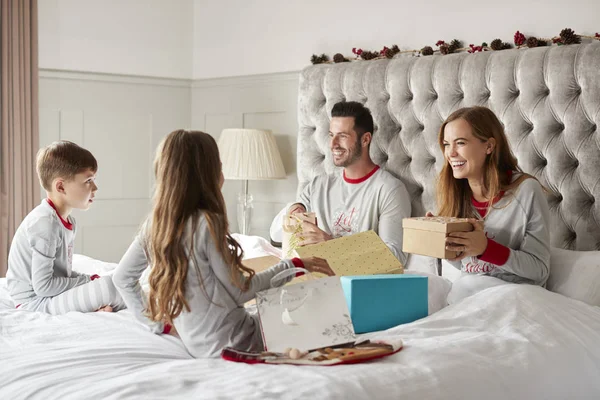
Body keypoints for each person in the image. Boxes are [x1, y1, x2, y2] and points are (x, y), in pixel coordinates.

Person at [113, 129, 334, 358]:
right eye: (218, 164)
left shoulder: (156, 224)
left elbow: (122, 278)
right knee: (324, 311)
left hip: (198, 344)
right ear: (206, 173)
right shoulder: (207, 223)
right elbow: (241, 291)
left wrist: (158, 325)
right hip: (237, 341)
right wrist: (294, 264)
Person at [434, 106, 550, 303]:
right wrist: (441, 242)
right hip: (469, 294)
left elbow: (539, 270)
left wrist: (486, 248)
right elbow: (466, 267)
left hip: (514, 297)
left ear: (489, 146)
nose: (450, 153)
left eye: (460, 143)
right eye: (446, 144)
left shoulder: (525, 190)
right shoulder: (455, 193)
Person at [7, 141, 124, 313]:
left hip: (47, 296)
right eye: (88, 180)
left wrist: (90, 279)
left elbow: (62, 274)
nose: (95, 187)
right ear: (60, 186)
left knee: (114, 281)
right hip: (34, 303)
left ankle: (98, 308)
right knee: (111, 287)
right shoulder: (44, 224)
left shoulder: (66, 221)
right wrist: (87, 282)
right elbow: (44, 287)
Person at [288, 101, 411, 265]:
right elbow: (278, 233)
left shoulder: (389, 189)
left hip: (354, 284)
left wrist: (331, 246)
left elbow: (394, 257)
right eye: (331, 135)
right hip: (311, 276)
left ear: (365, 139)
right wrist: (294, 208)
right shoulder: (317, 186)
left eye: (342, 136)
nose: (333, 145)